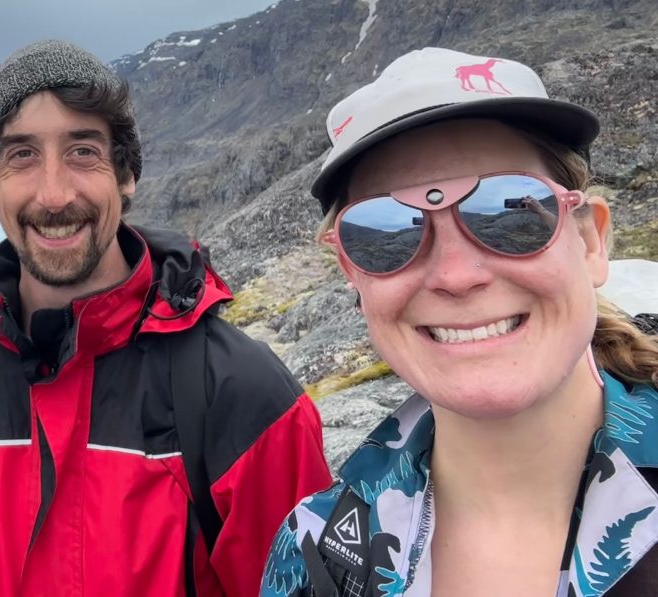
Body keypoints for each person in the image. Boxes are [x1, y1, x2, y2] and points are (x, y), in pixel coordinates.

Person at [0, 39, 333, 596]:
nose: (55, 193)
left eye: (83, 151)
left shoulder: (242, 396)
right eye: (21, 155)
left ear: (126, 175)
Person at [261, 47, 658, 597]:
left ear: (589, 241)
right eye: (388, 230)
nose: (455, 274)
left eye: (505, 210)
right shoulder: (315, 550)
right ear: (353, 276)